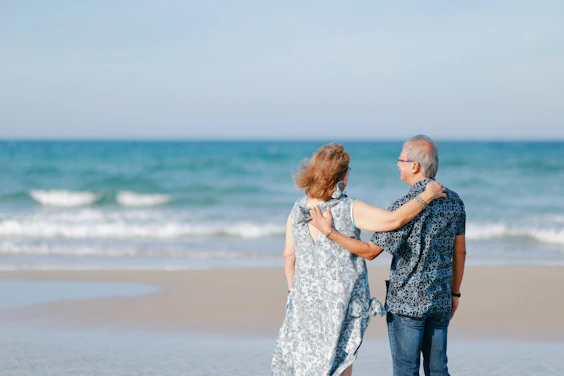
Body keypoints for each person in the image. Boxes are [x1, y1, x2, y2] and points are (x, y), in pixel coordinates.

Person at [271, 142, 446, 376]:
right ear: (342, 176)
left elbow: (289, 255)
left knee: (307, 363)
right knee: (340, 361)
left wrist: (294, 292)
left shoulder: (298, 209)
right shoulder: (347, 208)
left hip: (303, 301)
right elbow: (393, 221)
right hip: (341, 303)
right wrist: (427, 196)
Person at [309, 135, 466, 376]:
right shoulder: (454, 201)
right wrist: (455, 293)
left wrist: (329, 232)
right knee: (438, 370)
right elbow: (460, 251)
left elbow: (370, 252)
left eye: (400, 159)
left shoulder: (405, 206)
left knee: (406, 371)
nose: (397, 164)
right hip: (440, 298)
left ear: (414, 166)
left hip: (406, 302)